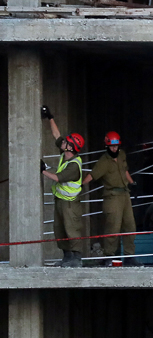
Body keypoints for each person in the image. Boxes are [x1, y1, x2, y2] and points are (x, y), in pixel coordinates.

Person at [84, 130, 137, 264]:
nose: (114, 149)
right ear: (107, 146)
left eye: (116, 146)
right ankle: (109, 256)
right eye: (112, 146)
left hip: (125, 194)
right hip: (112, 196)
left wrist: (132, 183)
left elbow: (125, 171)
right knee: (113, 227)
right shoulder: (104, 161)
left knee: (130, 225)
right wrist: (80, 185)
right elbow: (92, 175)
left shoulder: (122, 154)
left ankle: (130, 256)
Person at [41, 107, 85, 267]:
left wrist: (42, 170)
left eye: (67, 142)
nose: (63, 142)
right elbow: (56, 135)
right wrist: (50, 117)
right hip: (60, 200)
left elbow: (57, 178)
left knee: (72, 229)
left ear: (71, 148)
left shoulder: (74, 165)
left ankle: (76, 259)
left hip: (70, 203)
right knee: (59, 229)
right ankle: (67, 257)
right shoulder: (65, 154)